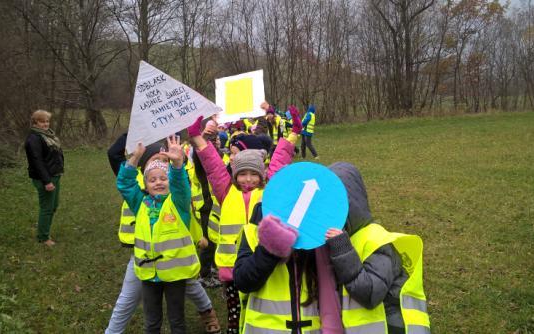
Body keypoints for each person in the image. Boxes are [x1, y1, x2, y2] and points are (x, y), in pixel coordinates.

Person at [187, 106, 302, 334]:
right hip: (231, 269)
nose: (248, 179)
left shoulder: (269, 192)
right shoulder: (226, 191)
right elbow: (212, 164)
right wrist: (196, 137)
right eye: (242, 174)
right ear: (235, 175)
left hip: (260, 265)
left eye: (253, 174)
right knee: (234, 313)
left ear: (262, 175)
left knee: (258, 310)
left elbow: (279, 160)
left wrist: (294, 133)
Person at [106, 134, 221, 334]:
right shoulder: (139, 203)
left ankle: (207, 311)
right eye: (152, 180)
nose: (158, 183)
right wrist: (134, 159)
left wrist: (177, 166)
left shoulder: (178, 204)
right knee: (152, 322)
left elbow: (181, 187)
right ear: (145, 183)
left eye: (163, 178)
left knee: (176, 320)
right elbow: (124, 184)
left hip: (174, 274)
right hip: (148, 274)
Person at [324, 162, 430, 334]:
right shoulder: (345, 237)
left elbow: (369, 292)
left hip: (392, 328)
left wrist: (342, 249)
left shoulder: (377, 242)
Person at [24, 109, 64, 246]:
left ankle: (44, 230)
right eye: (42, 121)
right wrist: (47, 181)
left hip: (55, 175)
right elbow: (37, 161)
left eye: (47, 121)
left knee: (53, 206)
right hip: (45, 178)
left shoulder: (48, 136)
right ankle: (43, 237)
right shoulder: (34, 139)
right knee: (47, 207)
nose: (46, 124)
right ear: (35, 123)